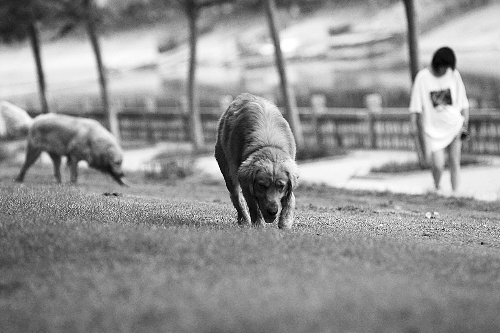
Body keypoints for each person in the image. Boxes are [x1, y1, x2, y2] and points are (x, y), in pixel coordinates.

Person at [409, 46, 469, 193]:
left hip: (454, 126)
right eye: (444, 67)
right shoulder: (422, 78)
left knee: (455, 162)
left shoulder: (454, 75)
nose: (446, 70)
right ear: (438, 64)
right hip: (434, 130)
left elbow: (463, 103)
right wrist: (414, 126)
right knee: (438, 164)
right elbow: (415, 107)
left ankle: (456, 195)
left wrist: (465, 125)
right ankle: (437, 188)